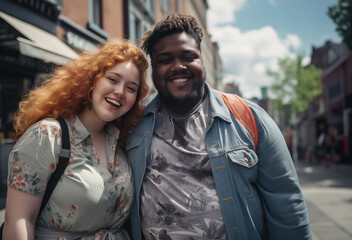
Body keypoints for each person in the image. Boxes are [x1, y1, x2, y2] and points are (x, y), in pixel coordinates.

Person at [125, 13, 311, 239]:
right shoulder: (131, 121)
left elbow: (287, 204)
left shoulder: (249, 117)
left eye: (188, 56)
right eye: (165, 60)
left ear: (201, 59)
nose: (178, 66)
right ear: (153, 69)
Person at [3, 39, 149, 239]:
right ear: (92, 79)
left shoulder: (121, 144)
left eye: (131, 88)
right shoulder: (47, 136)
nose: (120, 92)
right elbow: (19, 220)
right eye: (113, 79)